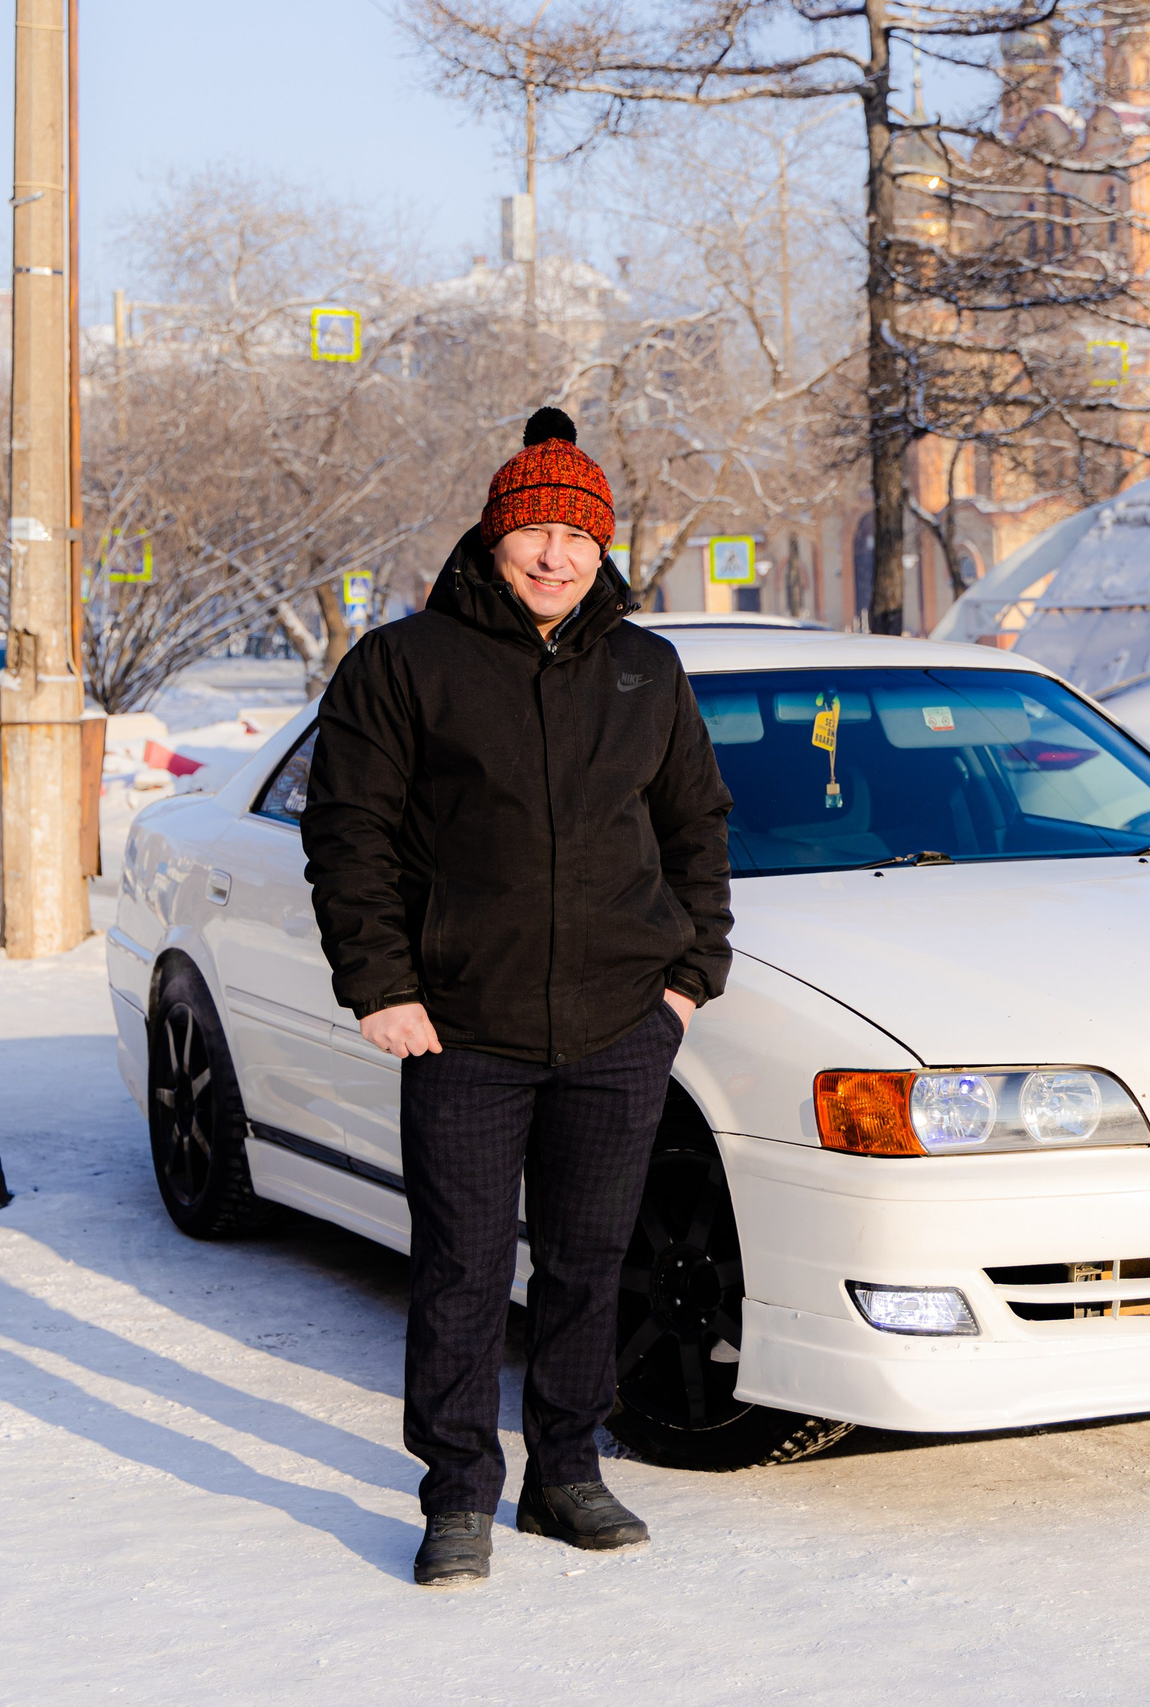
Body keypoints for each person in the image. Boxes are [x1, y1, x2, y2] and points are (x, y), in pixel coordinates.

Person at [302, 407, 734, 1586]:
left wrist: (688, 980)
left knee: (591, 1262)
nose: (554, 556)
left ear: (606, 550)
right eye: (534, 530)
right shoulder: (405, 665)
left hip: (617, 1026)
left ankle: (565, 1471)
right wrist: (383, 986)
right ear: (494, 537)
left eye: (576, 537)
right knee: (460, 1267)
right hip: (464, 1029)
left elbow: (695, 826)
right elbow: (349, 837)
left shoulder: (648, 668)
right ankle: (455, 1494)